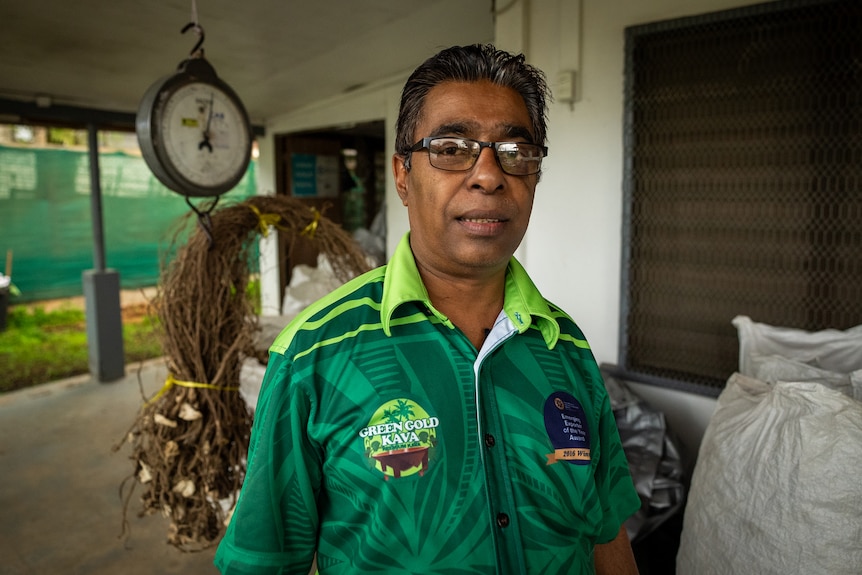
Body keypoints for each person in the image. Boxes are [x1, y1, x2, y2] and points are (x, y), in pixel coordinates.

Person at [215, 43, 641, 575]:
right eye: (452, 147)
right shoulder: (314, 354)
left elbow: (605, 534)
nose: (489, 175)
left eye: (515, 152)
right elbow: (264, 562)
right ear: (402, 175)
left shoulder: (567, 347)